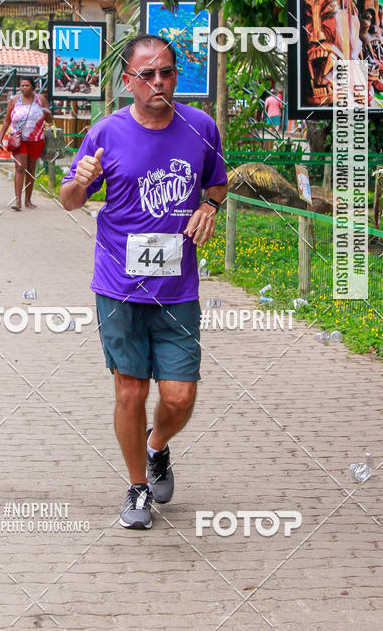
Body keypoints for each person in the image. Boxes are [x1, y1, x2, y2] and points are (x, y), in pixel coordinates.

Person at [60, 34, 228, 530]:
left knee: (179, 397)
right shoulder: (105, 133)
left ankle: (157, 446)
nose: (159, 82)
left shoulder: (200, 127)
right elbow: (69, 200)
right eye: (147, 74)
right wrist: (79, 179)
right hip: (119, 287)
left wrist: (209, 205)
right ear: (128, 80)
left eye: (167, 73)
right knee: (130, 392)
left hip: (178, 289)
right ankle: (137, 487)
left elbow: (217, 183)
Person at [0, 77, 52, 211]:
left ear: (33, 87)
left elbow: (50, 120)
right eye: (22, 85)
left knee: (31, 170)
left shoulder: (40, 100)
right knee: (20, 167)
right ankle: (18, 201)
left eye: (27, 85)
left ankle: (28, 200)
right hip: (18, 139)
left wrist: (46, 112)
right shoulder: (14, 100)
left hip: (36, 139)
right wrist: (0, 138)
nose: (24, 88)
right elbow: (6, 120)